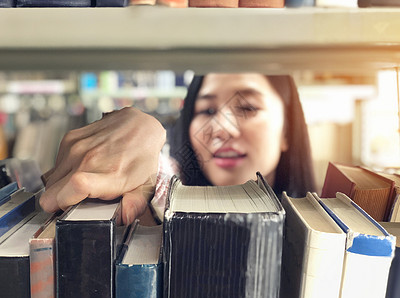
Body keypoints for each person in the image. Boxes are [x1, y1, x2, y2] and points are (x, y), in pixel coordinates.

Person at [39, 73, 316, 224]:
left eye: (246, 108)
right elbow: (157, 175)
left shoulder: (323, 234)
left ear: (287, 130)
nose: (221, 128)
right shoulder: (159, 214)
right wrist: (139, 128)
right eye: (207, 110)